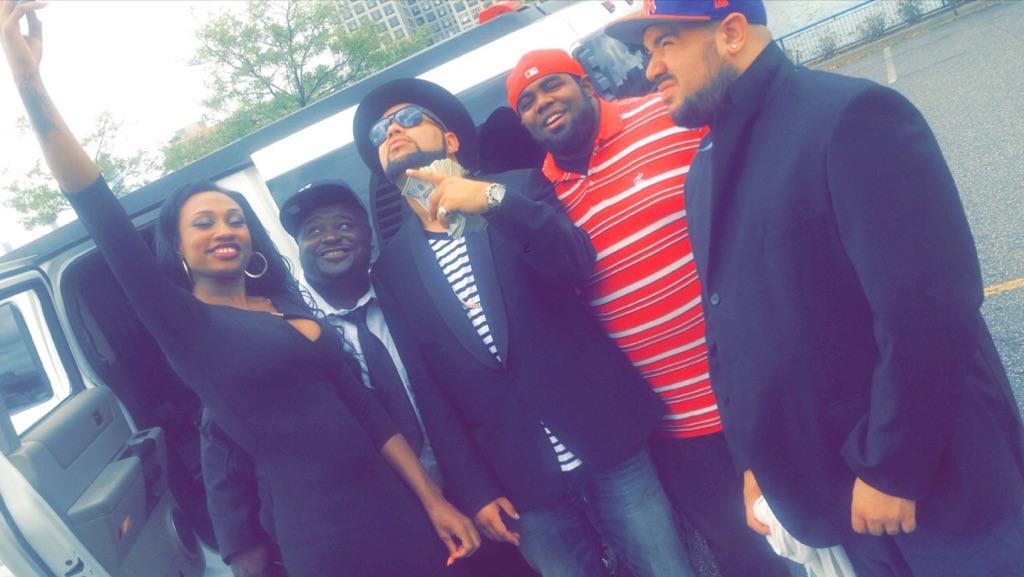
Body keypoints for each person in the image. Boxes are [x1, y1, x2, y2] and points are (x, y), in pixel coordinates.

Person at [0, 5, 479, 577]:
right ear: (178, 248)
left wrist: (433, 500)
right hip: (328, 539)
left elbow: (368, 413)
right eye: (203, 224)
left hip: (401, 509)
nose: (224, 230)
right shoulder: (187, 326)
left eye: (235, 219)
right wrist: (28, 82)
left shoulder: (283, 304)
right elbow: (97, 208)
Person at [605, 1, 1024, 576]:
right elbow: (728, 329)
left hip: (933, 488)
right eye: (647, 50)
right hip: (834, 499)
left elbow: (929, 310)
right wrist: (755, 463)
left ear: (731, 33)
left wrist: (893, 467)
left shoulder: (850, 117)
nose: (650, 67)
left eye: (665, 43)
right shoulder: (705, 166)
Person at [353, 77, 695, 577]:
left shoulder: (517, 188)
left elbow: (575, 263)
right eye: (380, 133)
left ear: (451, 140)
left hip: (605, 437)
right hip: (520, 483)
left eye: (407, 118)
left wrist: (494, 201)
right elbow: (429, 389)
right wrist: (475, 489)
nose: (392, 131)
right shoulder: (393, 268)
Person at [506, 48, 791, 577]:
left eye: (552, 86)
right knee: (744, 555)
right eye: (526, 101)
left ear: (587, 86)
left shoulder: (664, 117)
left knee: (814, 533)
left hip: (757, 389)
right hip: (673, 428)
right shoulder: (539, 196)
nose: (542, 103)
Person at [202, 180, 534, 577]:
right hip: (374, 524)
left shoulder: (412, 295)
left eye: (343, 225)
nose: (330, 237)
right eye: (313, 231)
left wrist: (478, 489)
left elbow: (464, 390)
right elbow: (222, 436)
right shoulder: (285, 329)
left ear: (369, 235)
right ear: (299, 247)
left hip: (471, 496)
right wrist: (243, 547)